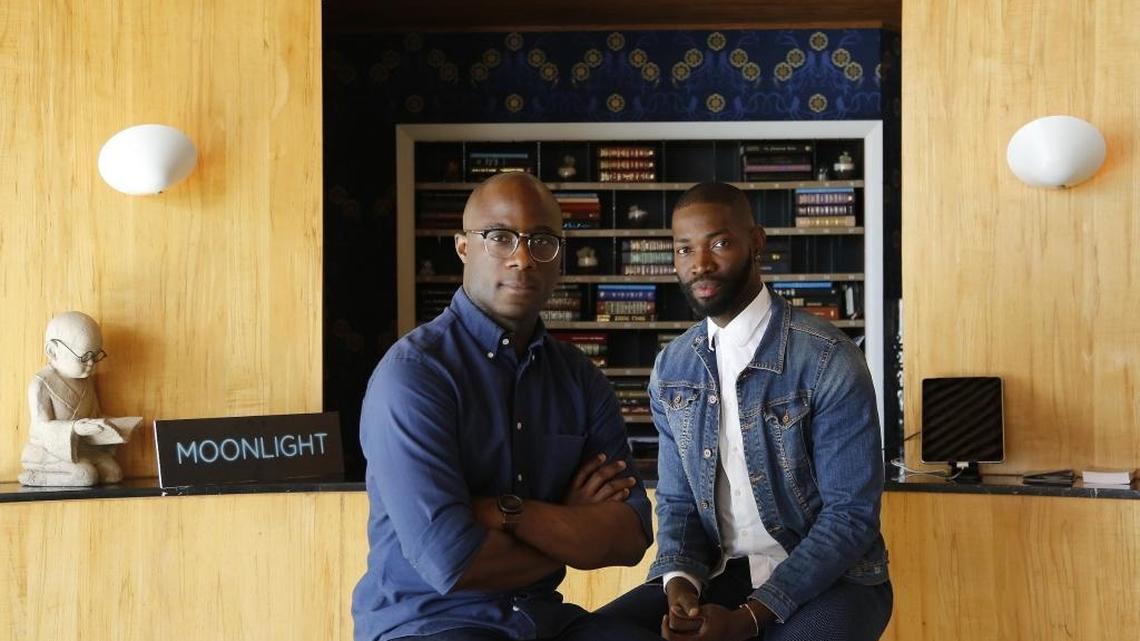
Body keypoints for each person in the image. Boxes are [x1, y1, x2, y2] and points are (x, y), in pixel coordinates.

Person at [352, 172, 659, 641]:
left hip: (544, 618)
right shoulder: (414, 376)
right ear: (462, 248)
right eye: (500, 237)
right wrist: (572, 529)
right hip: (432, 624)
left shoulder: (579, 378)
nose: (522, 258)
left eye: (541, 241)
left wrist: (509, 512)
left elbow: (630, 536)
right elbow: (450, 560)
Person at [600, 182, 892, 640]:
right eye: (684, 249)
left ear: (756, 242)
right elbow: (678, 503)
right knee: (597, 633)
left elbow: (850, 517)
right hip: (721, 574)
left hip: (835, 581)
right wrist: (680, 585)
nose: (699, 264)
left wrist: (752, 617)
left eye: (718, 243)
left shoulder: (827, 359)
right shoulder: (672, 367)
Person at [20, 311, 139, 487]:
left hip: (82, 447)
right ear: (53, 351)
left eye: (95, 356)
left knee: (113, 473)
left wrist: (113, 426)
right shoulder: (41, 384)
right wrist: (75, 428)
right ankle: (35, 476)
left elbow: (94, 415)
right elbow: (41, 429)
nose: (91, 363)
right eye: (84, 357)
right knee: (85, 476)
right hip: (49, 450)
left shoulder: (86, 381)